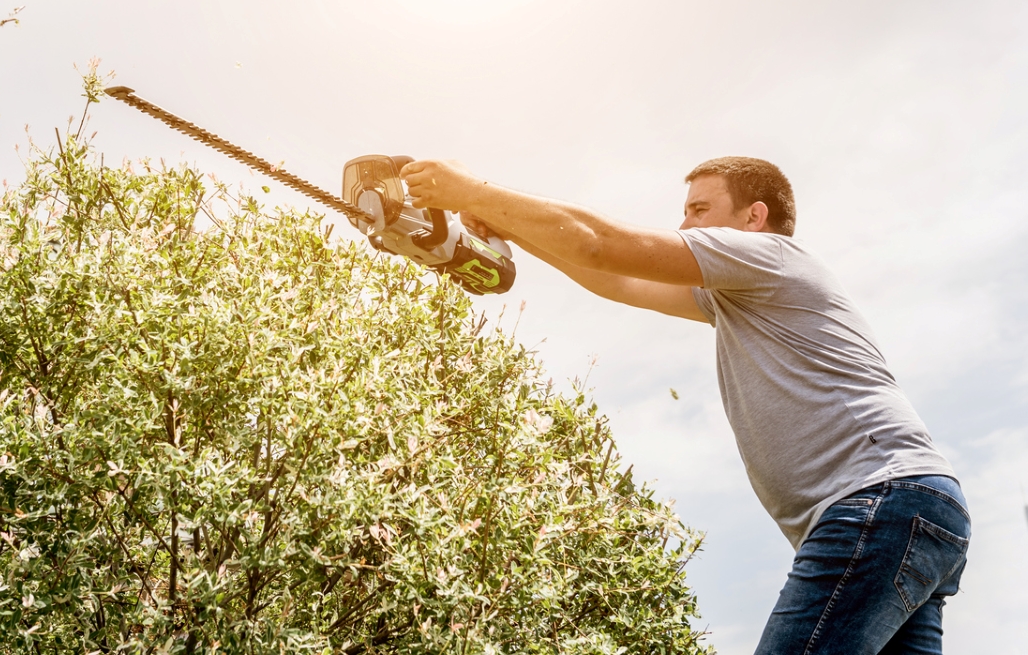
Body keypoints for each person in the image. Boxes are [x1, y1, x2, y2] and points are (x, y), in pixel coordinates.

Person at [401, 155, 969, 655]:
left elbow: (601, 242)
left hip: (878, 502)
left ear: (754, 217)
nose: (685, 223)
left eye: (699, 209)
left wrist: (469, 190)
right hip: (910, 512)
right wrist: (513, 231)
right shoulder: (742, 295)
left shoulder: (766, 256)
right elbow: (615, 277)